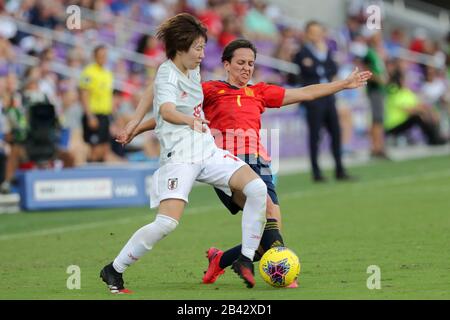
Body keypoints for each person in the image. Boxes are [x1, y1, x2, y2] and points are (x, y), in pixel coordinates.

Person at [119, 39, 371, 287]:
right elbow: (172, 113)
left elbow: (305, 92)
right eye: (240, 62)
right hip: (227, 165)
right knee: (268, 216)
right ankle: (283, 273)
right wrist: (137, 128)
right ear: (226, 64)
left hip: (260, 164)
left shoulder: (259, 92)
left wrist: (343, 84)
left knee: (267, 236)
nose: (246, 68)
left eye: (250, 63)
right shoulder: (208, 90)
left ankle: (221, 259)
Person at [100, 14, 268, 294]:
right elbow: (165, 109)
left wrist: (134, 122)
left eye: (203, 47)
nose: (203, 54)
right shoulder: (168, 73)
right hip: (180, 156)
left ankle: (245, 259)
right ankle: (114, 269)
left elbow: (150, 89)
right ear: (181, 46)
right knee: (166, 223)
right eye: (198, 48)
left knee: (257, 188)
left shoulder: (190, 68)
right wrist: (189, 120)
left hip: (206, 149)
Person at [293, 21, 354, 182]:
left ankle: (340, 169)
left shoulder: (326, 51)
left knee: (336, 132)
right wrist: (321, 61)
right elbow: (310, 71)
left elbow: (332, 70)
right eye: (313, 32)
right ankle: (316, 172)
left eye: (319, 31)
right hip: (313, 100)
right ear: (307, 33)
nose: (317, 35)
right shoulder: (302, 52)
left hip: (328, 98)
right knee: (315, 136)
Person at [79, 45, 120, 162]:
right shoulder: (88, 72)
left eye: (105, 55)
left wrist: (114, 118)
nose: (103, 58)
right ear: (95, 56)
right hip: (94, 114)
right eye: (101, 55)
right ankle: (90, 175)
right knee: (94, 149)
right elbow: (84, 95)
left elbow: (109, 97)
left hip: (105, 115)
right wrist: (90, 116)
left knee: (104, 148)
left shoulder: (108, 73)